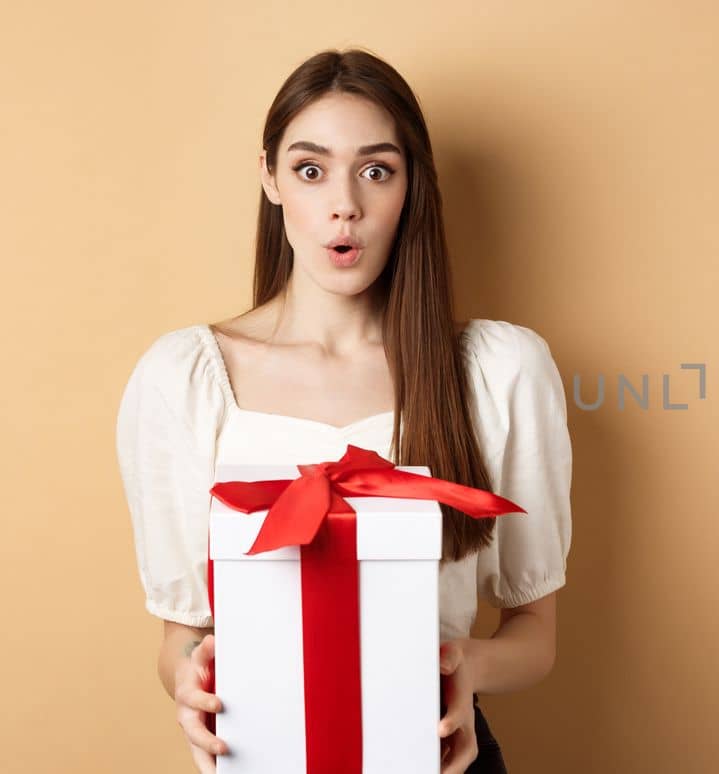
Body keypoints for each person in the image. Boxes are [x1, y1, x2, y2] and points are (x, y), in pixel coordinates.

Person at [113, 48, 573, 774]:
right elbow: (181, 637)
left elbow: (535, 636)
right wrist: (190, 685)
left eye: (377, 170)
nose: (344, 205)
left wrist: (466, 668)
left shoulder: (498, 371)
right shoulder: (183, 378)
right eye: (310, 169)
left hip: (435, 754)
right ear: (269, 177)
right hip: (259, 752)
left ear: (411, 187)